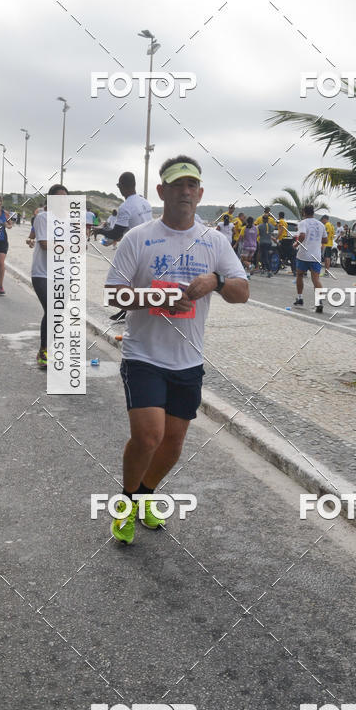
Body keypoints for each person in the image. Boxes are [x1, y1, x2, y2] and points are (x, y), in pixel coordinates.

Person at [104, 155, 249, 544]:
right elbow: (114, 293)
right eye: (176, 184)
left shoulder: (215, 241)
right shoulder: (139, 238)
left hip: (188, 359)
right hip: (143, 355)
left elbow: (243, 292)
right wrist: (158, 298)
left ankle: (145, 495)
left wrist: (217, 280)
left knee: (172, 444)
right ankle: (125, 503)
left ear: (200, 194)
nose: (184, 191)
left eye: (191, 185)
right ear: (161, 191)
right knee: (149, 436)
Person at [31, 184, 69, 368]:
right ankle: (44, 351)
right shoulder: (43, 217)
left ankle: (48, 349)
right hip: (43, 274)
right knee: (53, 310)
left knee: (57, 314)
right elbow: (45, 245)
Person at [107, 172, 153, 321]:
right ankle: (126, 310)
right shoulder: (144, 201)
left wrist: (100, 230)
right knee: (137, 280)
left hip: (136, 247)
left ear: (121, 186)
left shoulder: (125, 206)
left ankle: (128, 311)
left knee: (122, 281)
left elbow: (116, 233)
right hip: (151, 244)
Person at [293, 205, 327, 313]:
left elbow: (302, 235)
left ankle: (300, 298)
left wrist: (296, 244)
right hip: (316, 255)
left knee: (299, 275)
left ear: (304, 212)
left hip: (304, 255)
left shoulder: (303, 222)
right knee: (316, 279)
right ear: (313, 212)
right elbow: (325, 240)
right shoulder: (321, 224)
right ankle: (319, 302)